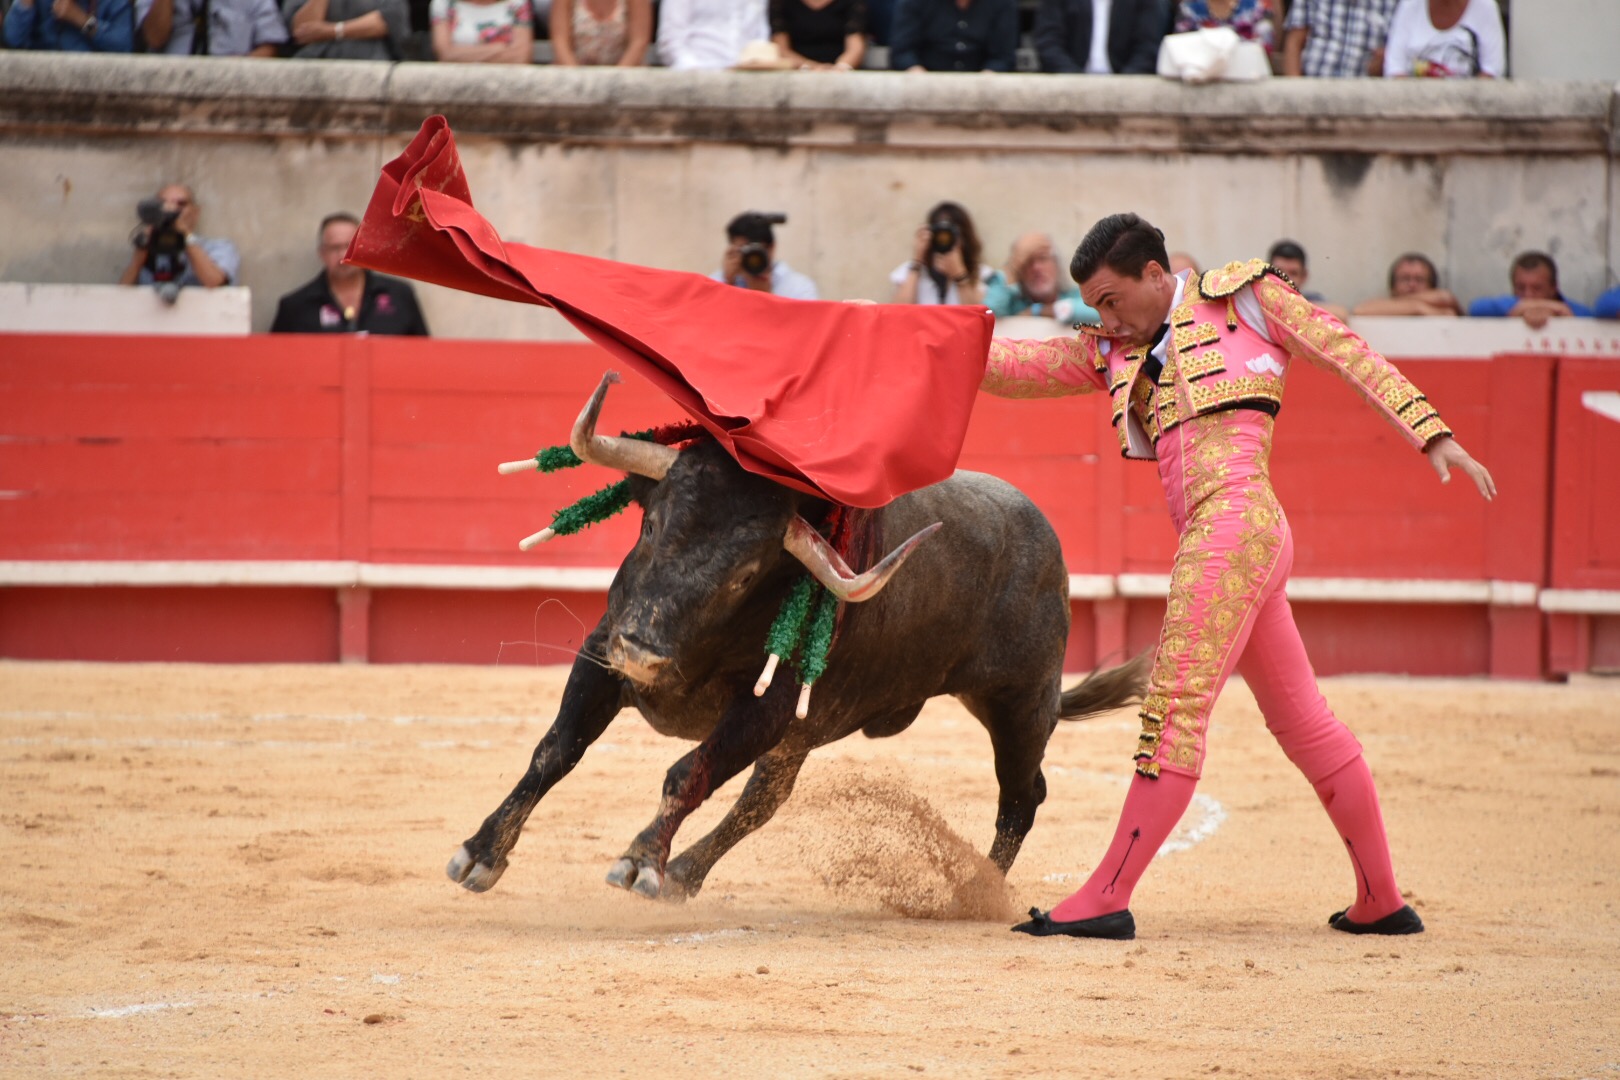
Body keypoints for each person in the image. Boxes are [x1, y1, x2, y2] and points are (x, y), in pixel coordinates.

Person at [981, 213, 1494, 940]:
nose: (1105, 317)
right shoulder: (1114, 350)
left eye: (1110, 299)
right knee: (1304, 722)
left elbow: (1344, 350)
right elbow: (1018, 368)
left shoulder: (1244, 299)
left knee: (1174, 707)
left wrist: (1432, 432)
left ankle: (1105, 896)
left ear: (1156, 276)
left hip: (1235, 525)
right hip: (1234, 537)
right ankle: (1380, 899)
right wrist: (932, 343)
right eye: (1095, 307)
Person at [271, 212, 430, 335]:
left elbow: (424, 354)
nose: (343, 256)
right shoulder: (295, 307)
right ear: (322, 253)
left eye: (349, 246)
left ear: (363, 248)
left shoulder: (399, 295)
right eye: (334, 248)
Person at [118, 184, 240, 292]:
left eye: (181, 204)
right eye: (163, 204)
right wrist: (141, 251)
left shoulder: (219, 247)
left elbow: (214, 282)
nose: (172, 209)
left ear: (195, 213)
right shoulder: (147, 246)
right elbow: (121, 294)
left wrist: (185, 236)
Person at [890, 202, 992, 306]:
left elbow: (978, 316)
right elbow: (898, 312)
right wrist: (917, 261)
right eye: (939, 234)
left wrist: (960, 276)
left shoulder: (981, 273)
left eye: (950, 234)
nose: (944, 239)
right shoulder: (912, 270)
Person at [985, 232, 1099, 323]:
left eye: (1042, 258)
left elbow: (1101, 311)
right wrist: (1010, 269)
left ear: (1056, 263)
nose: (1036, 268)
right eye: (1027, 262)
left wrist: (1038, 311)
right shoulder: (1011, 303)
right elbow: (987, 314)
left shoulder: (1078, 295)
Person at [1033, 0, 1166, 74]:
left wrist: (1123, 85)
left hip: (1127, 89)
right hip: (1068, 86)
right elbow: (1048, 43)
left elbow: (1148, 48)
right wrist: (1074, 82)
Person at [1468, 252, 1593, 329]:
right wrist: (1556, 308)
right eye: (1520, 288)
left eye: (1537, 288)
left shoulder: (1578, 312)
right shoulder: (1509, 304)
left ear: (1554, 287)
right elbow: (1476, 308)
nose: (1528, 295)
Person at [711, 212, 820, 300]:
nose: (752, 258)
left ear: (772, 247)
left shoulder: (799, 287)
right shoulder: (715, 282)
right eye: (744, 250)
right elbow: (706, 322)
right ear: (732, 249)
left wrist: (766, 298)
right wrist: (728, 283)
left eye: (755, 251)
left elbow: (804, 326)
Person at [1382, 0, 1504, 78]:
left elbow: (1492, 71)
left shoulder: (1486, 7)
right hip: (1414, 110)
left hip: (1469, 110)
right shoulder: (1410, 5)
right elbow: (1394, 68)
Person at [890, 0, 1017, 72]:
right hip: (925, 83)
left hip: (983, 88)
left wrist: (985, 80)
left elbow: (1003, 57)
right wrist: (919, 76)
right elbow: (903, 52)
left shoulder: (1002, 3)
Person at [1282, 0, 1398, 77]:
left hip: (1364, 95)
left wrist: (1384, 61)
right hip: (1313, 86)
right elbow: (1294, 44)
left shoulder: (1393, 4)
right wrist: (1296, 94)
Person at [137, 0, 288, 53]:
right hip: (170, 86)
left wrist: (238, 68)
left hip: (231, 91)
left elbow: (270, 48)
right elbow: (154, 38)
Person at [655, 0, 769, 70]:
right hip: (696, 76)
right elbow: (669, 40)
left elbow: (760, 36)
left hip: (745, 78)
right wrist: (694, 70)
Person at [284, 0, 409, 58]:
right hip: (316, 66)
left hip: (370, 63)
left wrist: (332, 31)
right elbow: (302, 31)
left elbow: (386, 21)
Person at [1352, 253, 1462, 317]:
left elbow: (1444, 298)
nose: (1412, 284)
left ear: (1432, 285)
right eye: (1405, 279)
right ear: (1392, 287)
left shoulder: (1445, 305)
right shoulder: (1380, 306)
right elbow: (1360, 310)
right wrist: (1418, 308)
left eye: (1419, 280)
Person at [548, 0, 651, 65]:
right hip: (572, 73)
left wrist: (615, 80)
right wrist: (579, 81)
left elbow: (639, 41)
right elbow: (560, 42)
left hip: (625, 74)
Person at [1266, 239, 1349, 320]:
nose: (1285, 278)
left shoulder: (1311, 299)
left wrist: (1294, 304)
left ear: (1304, 277)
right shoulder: (1256, 300)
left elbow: (1341, 314)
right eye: (1279, 272)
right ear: (1267, 273)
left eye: (1293, 273)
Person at [770, 0, 866, 69]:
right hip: (796, 71)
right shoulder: (781, 3)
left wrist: (840, 68)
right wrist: (809, 67)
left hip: (839, 71)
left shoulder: (852, 3)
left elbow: (855, 46)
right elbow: (781, 49)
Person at [4, 0, 136, 50]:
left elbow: (123, 45)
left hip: (92, 81)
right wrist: (26, 3)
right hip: (40, 79)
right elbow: (13, 40)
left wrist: (83, 21)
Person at [431, 0, 532, 61]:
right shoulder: (443, 3)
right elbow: (445, 54)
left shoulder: (517, 3)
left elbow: (521, 56)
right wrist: (499, 48)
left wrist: (462, 54)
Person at [1172, 0, 1278, 54]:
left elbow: (1264, 48)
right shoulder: (1189, 9)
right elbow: (1181, 48)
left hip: (1247, 77)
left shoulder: (1257, 8)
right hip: (1199, 79)